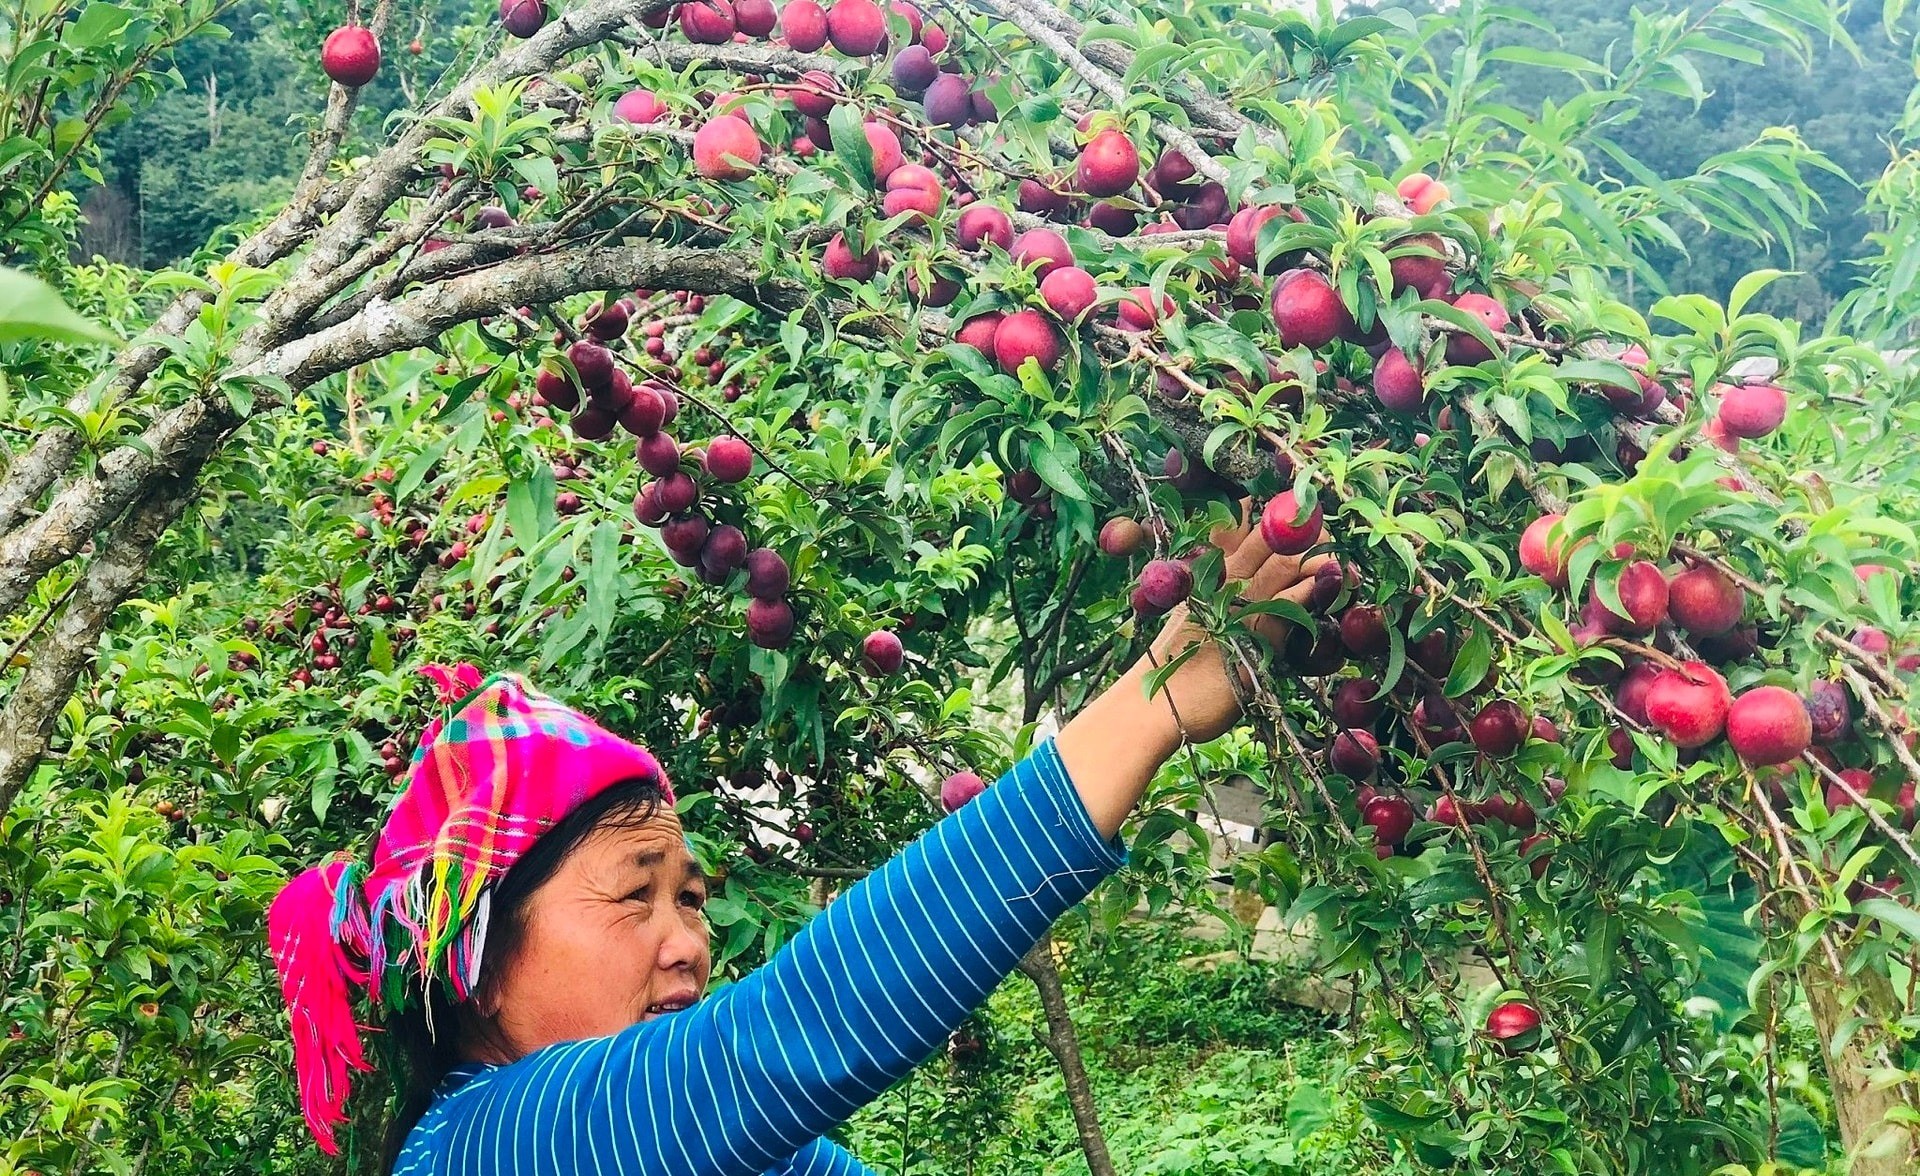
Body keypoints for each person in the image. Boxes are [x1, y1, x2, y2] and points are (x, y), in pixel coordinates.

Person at [267, 511, 1325, 1175]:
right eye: (634, 896)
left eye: (686, 897)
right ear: (481, 965)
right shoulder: (487, 1146)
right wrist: (1150, 710)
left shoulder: (721, 1155)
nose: (688, 941)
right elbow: (773, 1042)